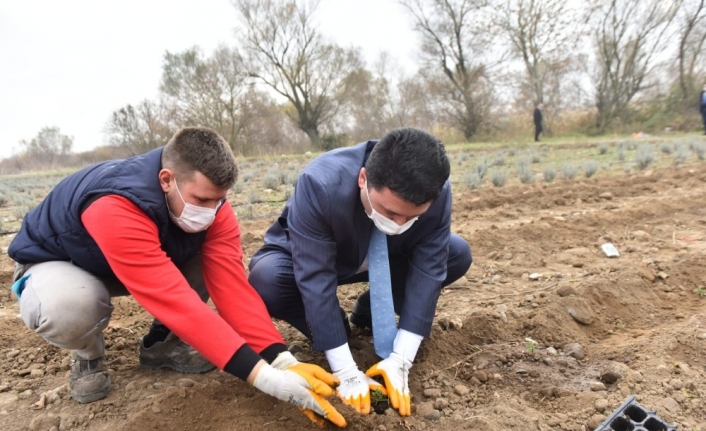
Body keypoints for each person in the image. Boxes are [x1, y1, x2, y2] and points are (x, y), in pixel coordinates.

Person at [8, 127, 346, 427]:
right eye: (202, 199)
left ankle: (162, 343)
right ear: (167, 179)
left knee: (205, 257)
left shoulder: (213, 208)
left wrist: (279, 358)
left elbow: (232, 288)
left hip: (131, 259)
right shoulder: (116, 203)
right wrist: (263, 378)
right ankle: (86, 356)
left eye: (220, 199)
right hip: (63, 264)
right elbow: (174, 299)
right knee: (71, 306)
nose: (212, 209)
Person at [248, 128, 473, 417]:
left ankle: (370, 310)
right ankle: (337, 330)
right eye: (389, 212)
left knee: (456, 253)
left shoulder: (437, 192)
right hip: (316, 257)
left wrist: (402, 359)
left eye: (411, 217)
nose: (399, 223)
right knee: (267, 277)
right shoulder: (320, 183)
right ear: (363, 178)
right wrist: (345, 369)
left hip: (388, 258)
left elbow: (430, 268)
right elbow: (315, 276)